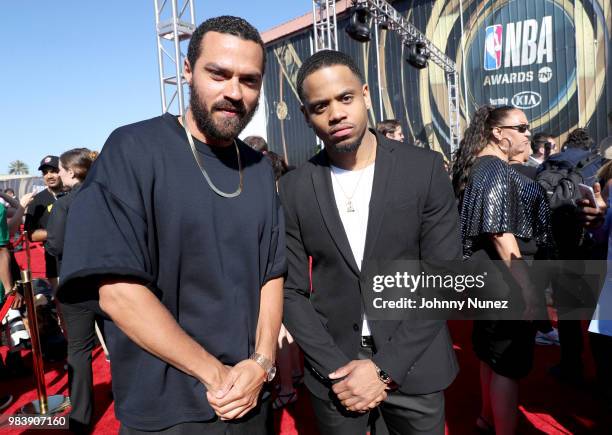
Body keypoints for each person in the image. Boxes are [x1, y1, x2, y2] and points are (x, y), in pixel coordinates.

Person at [57, 16, 285, 434]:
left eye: (249, 81)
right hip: (167, 410)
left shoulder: (257, 170)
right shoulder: (132, 150)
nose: (234, 92)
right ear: (187, 69)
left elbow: (272, 272)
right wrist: (216, 377)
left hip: (252, 401)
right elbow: (118, 293)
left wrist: (262, 363)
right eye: (218, 74)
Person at [280, 50, 459, 435]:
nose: (336, 114)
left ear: (365, 94)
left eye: (345, 98)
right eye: (320, 106)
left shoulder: (423, 169)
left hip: (415, 363)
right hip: (334, 372)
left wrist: (384, 369)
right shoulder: (293, 188)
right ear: (306, 114)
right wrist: (338, 370)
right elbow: (291, 291)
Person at [452, 105, 552, 435]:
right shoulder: (492, 167)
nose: (528, 133)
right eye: (522, 127)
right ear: (498, 133)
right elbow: (499, 232)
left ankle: (486, 418)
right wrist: (527, 290)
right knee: (508, 365)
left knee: (490, 356)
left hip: (488, 282)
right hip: (504, 283)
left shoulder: (478, 167)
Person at [46, 148, 99, 433]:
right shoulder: (106, 196)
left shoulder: (66, 204)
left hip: (76, 283)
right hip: (109, 281)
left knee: (79, 349)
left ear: (70, 172)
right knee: (119, 342)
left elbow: (54, 246)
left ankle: (81, 417)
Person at [24, 155, 64, 290]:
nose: (49, 176)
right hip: (55, 262)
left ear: (62, 171)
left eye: (53, 171)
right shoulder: (37, 201)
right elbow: (31, 235)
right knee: (63, 306)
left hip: (82, 258)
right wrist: (57, 231)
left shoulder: (74, 193)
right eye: (45, 172)